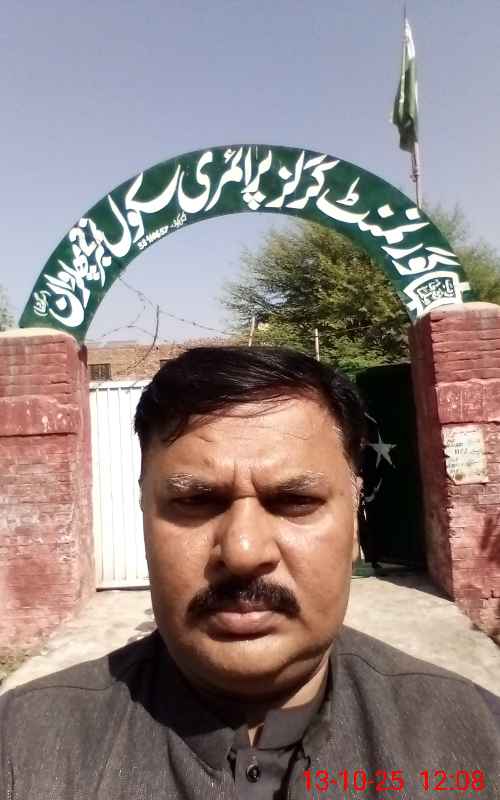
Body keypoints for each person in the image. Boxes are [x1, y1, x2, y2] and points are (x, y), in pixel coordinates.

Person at [1, 346, 499, 799]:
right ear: (144, 515)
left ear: (354, 525)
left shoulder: (478, 739)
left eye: (295, 500)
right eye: (196, 501)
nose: (242, 552)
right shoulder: (22, 748)